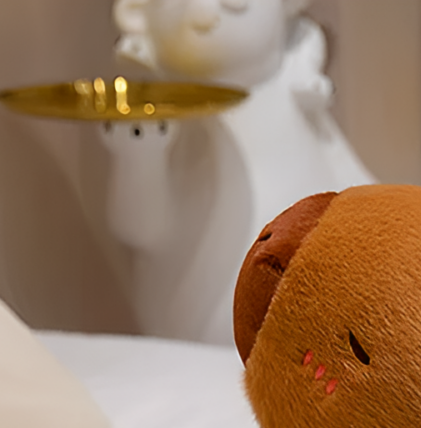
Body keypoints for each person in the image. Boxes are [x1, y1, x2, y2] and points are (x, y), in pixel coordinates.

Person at [103, 0, 374, 343]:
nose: (203, 15)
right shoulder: (168, 115)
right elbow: (145, 231)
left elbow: (354, 186)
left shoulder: (296, 91)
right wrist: (137, 158)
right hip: (194, 332)